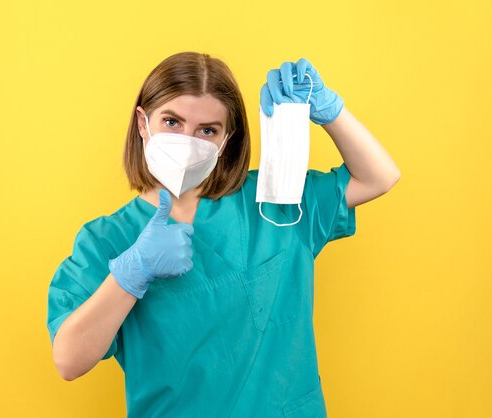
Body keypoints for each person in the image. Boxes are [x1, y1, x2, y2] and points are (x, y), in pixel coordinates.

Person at [46, 52, 400, 417]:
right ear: (142, 122)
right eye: (172, 121)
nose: (187, 139)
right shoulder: (107, 240)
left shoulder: (273, 201)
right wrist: (133, 271)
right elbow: (69, 360)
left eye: (207, 130)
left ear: (226, 139)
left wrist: (328, 111)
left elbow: (378, 177)